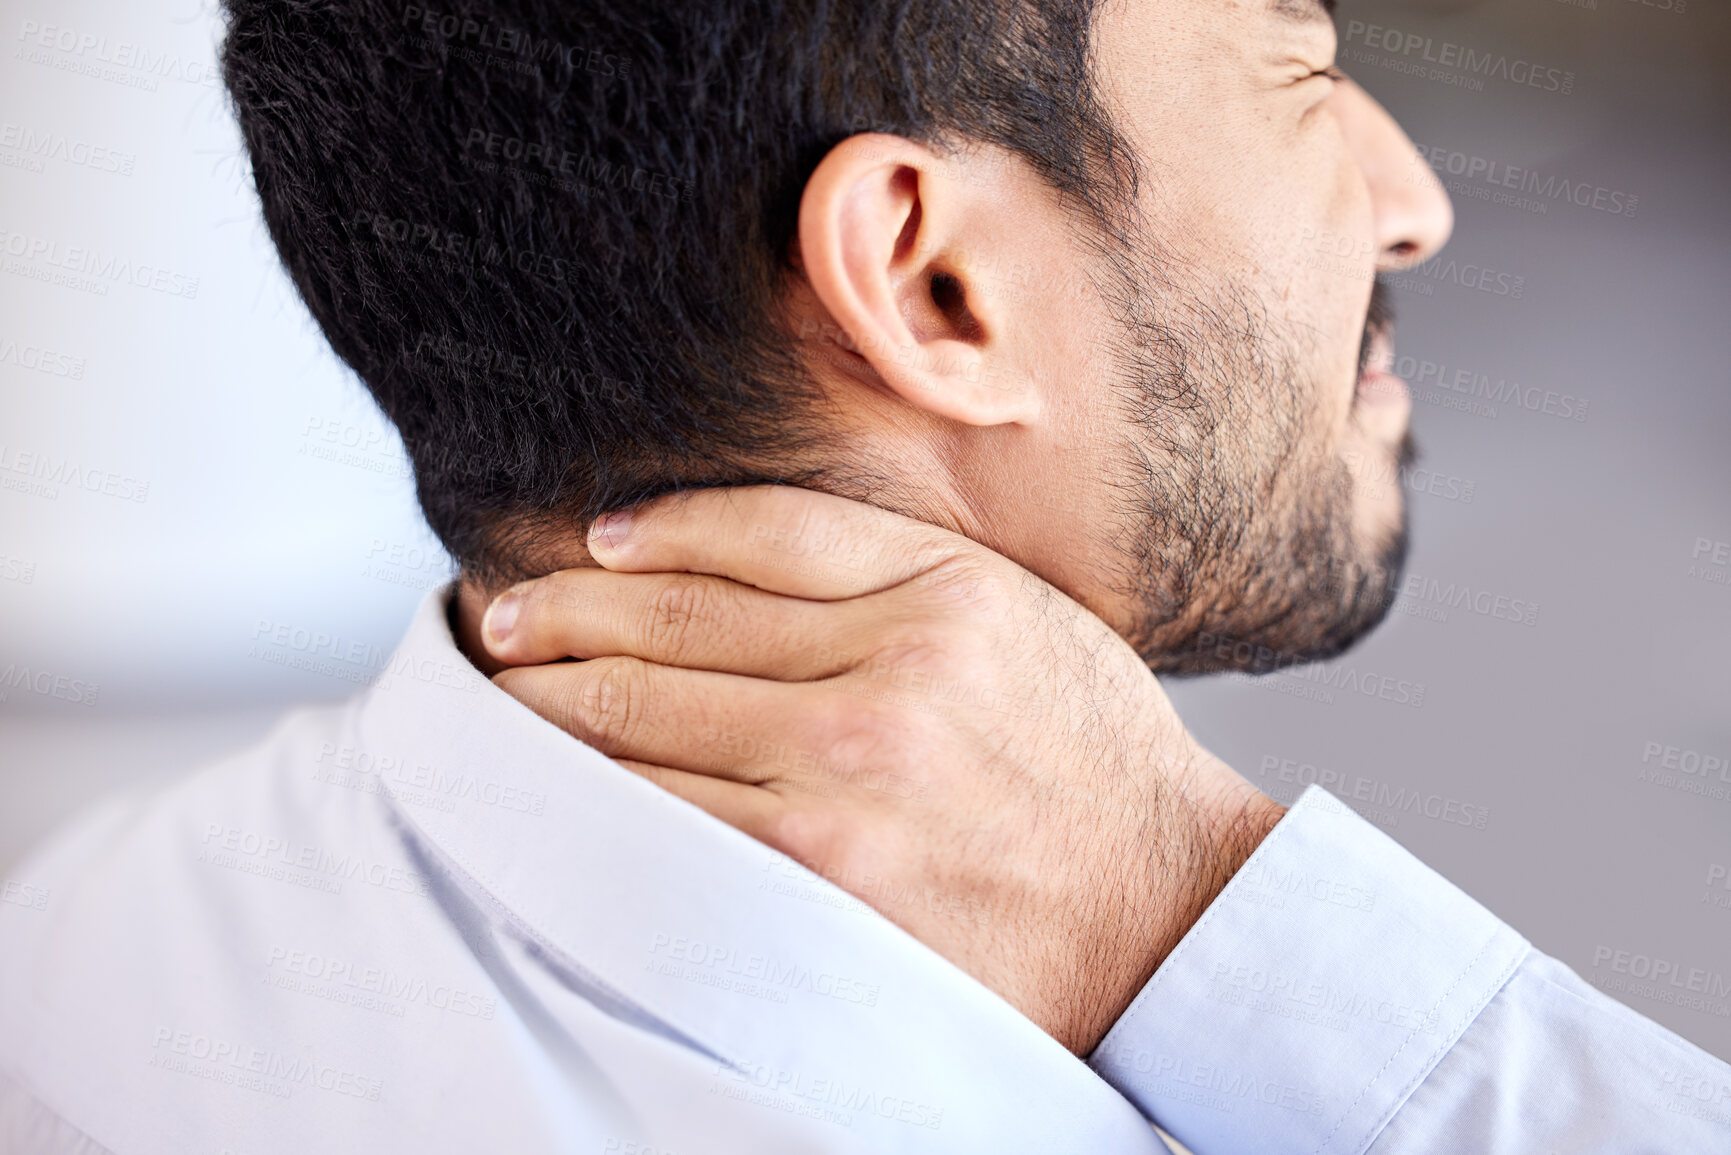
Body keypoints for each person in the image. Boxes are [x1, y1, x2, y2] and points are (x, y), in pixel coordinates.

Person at [1, 0, 1725, 1152]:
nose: (1410, 200)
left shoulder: (78, 923)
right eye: (1296, 66)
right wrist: (1205, 927)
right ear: (934, 285)